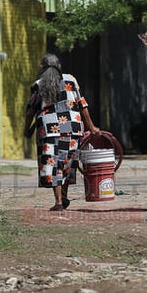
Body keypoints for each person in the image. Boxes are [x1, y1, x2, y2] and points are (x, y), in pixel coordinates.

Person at [24, 53, 100, 211]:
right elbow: (82, 105)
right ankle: (63, 197)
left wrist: (26, 130)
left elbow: (30, 111)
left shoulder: (38, 84)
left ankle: (59, 201)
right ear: (59, 66)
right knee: (67, 164)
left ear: (42, 67)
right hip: (73, 128)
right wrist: (92, 127)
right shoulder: (71, 80)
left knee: (53, 164)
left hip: (49, 130)